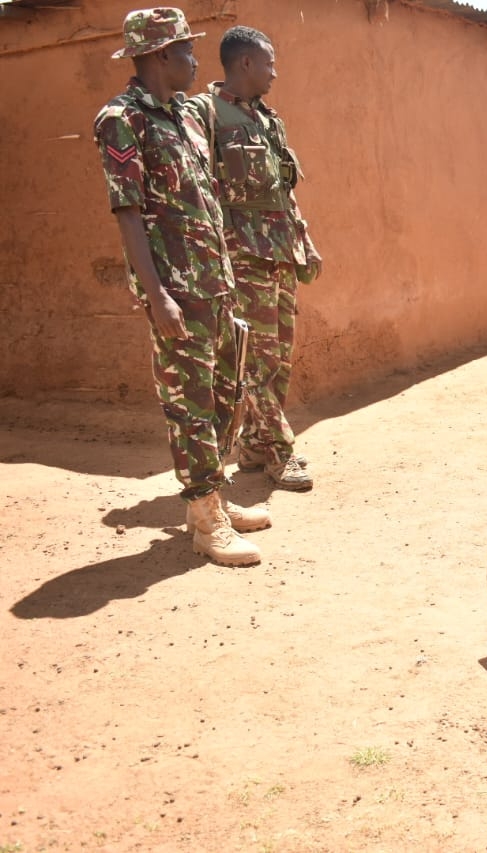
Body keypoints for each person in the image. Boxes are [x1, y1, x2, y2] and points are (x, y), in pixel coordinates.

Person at [93, 7, 267, 566]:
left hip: (214, 282)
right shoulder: (122, 119)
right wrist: (158, 296)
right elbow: (128, 212)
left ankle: (210, 501)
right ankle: (206, 520)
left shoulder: (186, 117)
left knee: (223, 395)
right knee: (188, 404)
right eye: (188, 50)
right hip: (177, 291)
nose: (196, 60)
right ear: (162, 54)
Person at [191, 25, 322, 492]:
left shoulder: (268, 120)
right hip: (242, 255)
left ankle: (254, 445)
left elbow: (283, 191)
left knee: (279, 358)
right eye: (269, 63)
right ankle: (280, 452)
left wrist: (304, 240)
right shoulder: (205, 113)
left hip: (280, 252)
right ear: (245, 63)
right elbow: (196, 189)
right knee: (258, 362)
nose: (274, 72)